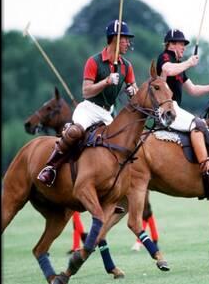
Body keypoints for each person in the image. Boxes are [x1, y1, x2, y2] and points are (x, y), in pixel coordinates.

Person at [37, 20, 138, 186]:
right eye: (126, 39)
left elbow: (134, 88)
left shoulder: (126, 66)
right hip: (89, 109)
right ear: (115, 39)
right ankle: (50, 168)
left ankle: (114, 187)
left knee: (121, 142)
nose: (128, 43)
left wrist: (133, 91)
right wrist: (106, 81)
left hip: (107, 113)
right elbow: (86, 91)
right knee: (74, 132)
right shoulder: (94, 61)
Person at [156, 29, 209, 175]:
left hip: (174, 108)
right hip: (166, 109)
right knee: (197, 124)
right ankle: (205, 164)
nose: (184, 48)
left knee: (201, 123)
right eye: (181, 44)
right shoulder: (165, 57)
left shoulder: (179, 65)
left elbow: (192, 89)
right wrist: (189, 62)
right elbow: (168, 70)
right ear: (171, 44)